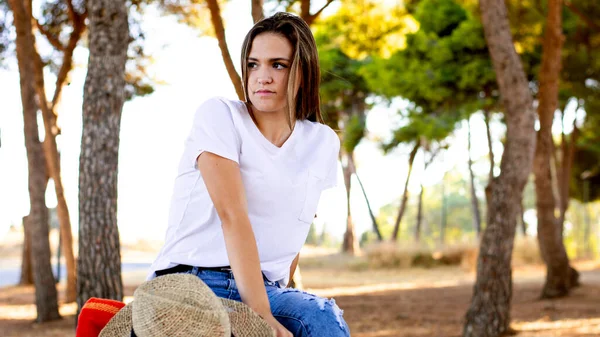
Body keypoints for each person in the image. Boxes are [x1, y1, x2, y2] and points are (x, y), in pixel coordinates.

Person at [147, 12, 350, 337]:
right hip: (191, 282)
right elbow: (233, 216)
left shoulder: (322, 142)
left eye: (277, 65)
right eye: (253, 64)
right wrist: (263, 319)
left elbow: (292, 235)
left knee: (322, 318)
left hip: (262, 287)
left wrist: (279, 298)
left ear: (303, 71)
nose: (262, 76)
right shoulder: (219, 115)